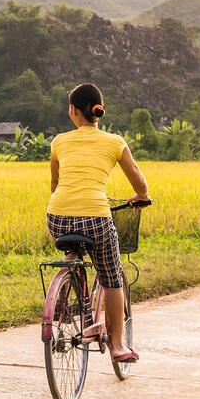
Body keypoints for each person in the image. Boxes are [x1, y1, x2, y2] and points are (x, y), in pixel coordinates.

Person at [47, 82, 150, 363]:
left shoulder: (59, 142)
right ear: (98, 111)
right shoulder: (115, 142)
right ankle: (117, 346)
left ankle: (63, 297)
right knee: (112, 276)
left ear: (73, 111)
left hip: (57, 218)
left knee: (72, 244)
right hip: (96, 218)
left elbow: (55, 185)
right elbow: (140, 183)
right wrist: (141, 197)